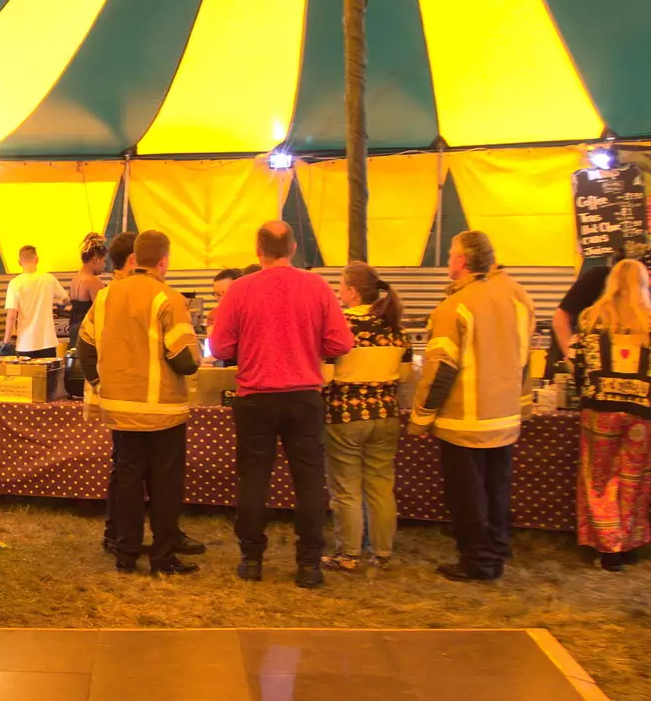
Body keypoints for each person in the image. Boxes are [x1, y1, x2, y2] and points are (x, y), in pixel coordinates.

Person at [209, 221, 354, 588]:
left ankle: (252, 559)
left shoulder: (240, 290)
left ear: (258, 250)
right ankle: (309, 564)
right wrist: (307, 345)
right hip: (304, 395)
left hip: (256, 397)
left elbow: (221, 348)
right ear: (292, 248)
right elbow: (341, 343)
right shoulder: (317, 286)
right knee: (308, 481)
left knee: (254, 479)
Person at [410, 231, 536, 582]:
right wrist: (522, 405)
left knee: (467, 494)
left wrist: (421, 418)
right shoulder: (518, 296)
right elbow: (526, 358)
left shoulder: (455, 306)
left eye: (450, 254)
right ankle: (497, 548)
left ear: (462, 261)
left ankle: (478, 561)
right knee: (498, 487)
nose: (448, 260)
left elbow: (440, 371)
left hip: (464, 422)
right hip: (505, 417)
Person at [77, 231, 201, 575]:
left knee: (128, 482)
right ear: (163, 260)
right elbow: (185, 358)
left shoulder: (105, 296)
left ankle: (126, 552)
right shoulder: (169, 298)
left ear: (134, 258)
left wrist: (101, 382)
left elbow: (84, 346)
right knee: (165, 485)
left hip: (120, 409)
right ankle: (162, 557)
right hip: (162, 410)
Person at [322, 262, 411, 571]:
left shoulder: (339, 326)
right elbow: (406, 375)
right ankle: (383, 552)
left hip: (345, 416)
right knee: (381, 485)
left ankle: (348, 554)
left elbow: (325, 375)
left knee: (346, 488)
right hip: (386, 415)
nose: (339, 292)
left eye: (341, 286)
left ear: (353, 292)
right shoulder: (395, 326)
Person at [569, 260, 651, 571]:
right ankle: (629, 543)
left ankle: (608, 548)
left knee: (599, 479)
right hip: (641, 414)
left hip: (600, 412)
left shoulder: (591, 318)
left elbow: (578, 364)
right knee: (634, 480)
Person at [3, 244, 68, 359]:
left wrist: (6, 341)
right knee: (48, 376)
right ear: (37, 259)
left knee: (28, 377)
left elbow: (11, 316)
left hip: (25, 344)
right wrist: (60, 304)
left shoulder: (15, 283)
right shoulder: (49, 278)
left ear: (19, 262)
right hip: (48, 342)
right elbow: (65, 299)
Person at [67, 232, 107, 345]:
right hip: (87, 334)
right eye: (103, 260)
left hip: (74, 331)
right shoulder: (92, 281)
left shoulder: (75, 280)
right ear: (95, 259)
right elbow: (101, 313)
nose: (104, 265)